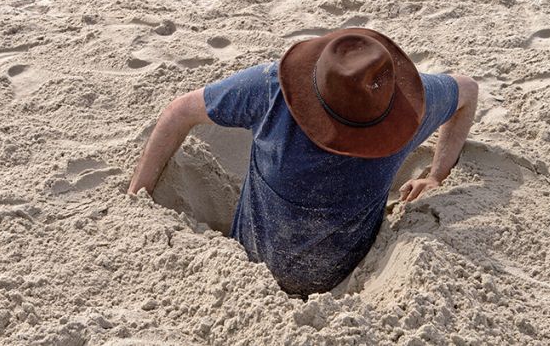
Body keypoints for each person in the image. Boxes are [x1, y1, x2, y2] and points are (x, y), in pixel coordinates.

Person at [129, 28, 478, 296]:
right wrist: (137, 198)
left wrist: (436, 177)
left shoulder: (404, 110)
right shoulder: (271, 92)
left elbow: (468, 91)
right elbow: (178, 112)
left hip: (346, 281)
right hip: (242, 268)